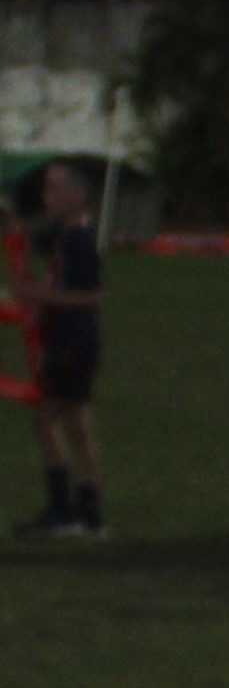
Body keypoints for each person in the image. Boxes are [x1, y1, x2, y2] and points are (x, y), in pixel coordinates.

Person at [12, 158, 105, 538]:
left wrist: (41, 296)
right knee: (77, 427)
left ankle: (61, 510)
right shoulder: (62, 236)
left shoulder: (81, 240)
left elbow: (94, 297)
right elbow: (26, 240)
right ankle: (89, 510)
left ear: (76, 195)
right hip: (66, 340)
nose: (45, 196)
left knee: (45, 419)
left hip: (73, 341)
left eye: (53, 188)